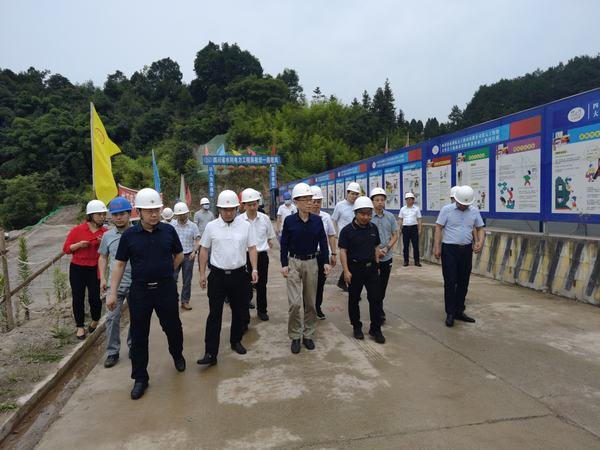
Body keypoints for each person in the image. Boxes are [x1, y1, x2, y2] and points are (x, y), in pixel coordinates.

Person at [107, 188, 186, 400]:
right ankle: (140, 378)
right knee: (139, 335)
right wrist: (112, 293)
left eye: (156, 210)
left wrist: (168, 271)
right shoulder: (129, 236)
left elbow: (179, 255)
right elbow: (119, 264)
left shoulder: (168, 231)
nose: (154, 214)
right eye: (149, 210)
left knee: (173, 327)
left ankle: (177, 354)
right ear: (139, 211)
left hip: (165, 289)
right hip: (140, 291)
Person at [197, 190, 258, 367]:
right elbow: (204, 249)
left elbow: (252, 247)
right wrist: (202, 273)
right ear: (219, 209)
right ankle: (210, 352)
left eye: (231, 209)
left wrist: (254, 268)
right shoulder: (211, 227)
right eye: (225, 209)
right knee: (214, 314)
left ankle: (236, 341)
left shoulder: (245, 226)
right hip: (217, 276)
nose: (228, 213)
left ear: (237, 208)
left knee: (239, 311)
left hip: (239, 275)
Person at [280, 183, 331, 354]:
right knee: (295, 304)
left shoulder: (317, 221)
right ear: (296, 201)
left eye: (311, 199)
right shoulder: (289, 221)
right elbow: (284, 244)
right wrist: (284, 264)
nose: (310, 203)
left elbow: (323, 242)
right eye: (306, 199)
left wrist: (325, 262)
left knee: (310, 302)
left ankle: (308, 335)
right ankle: (295, 335)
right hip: (294, 262)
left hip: (312, 262)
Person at [434, 185, 485, 328]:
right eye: (462, 203)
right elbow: (438, 227)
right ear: (456, 199)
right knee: (450, 281)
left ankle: (459, 310)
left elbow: (480, 228)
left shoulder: (474, 211)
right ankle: (450, 313)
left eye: (466, 204)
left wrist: (480, 242)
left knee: (463, 281)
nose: (464, 206)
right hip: (449, 250)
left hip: (466, 250)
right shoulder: (446, 210)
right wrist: (437, 247)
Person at [338, 196, 385, 344]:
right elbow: (343, 251)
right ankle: (356, 327)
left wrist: (377, 264)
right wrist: (346, 271)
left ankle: (375, 329)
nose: (366, 217)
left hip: (371, 269)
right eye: (363, 214)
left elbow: (376, 246)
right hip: (354, 269)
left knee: (376, 299)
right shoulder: (347, 231)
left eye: (369, 214)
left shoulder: (373, 228)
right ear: (355, 213)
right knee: (354, 299)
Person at [62, 199, 107, 340]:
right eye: (99, 214)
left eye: (103, 214)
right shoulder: (77, 230)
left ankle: (95, 319)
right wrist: (79, 245)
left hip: (95, 268)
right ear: (91, 215)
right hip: (77, 268)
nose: (102, 217)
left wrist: (103, 243)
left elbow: (109, 252)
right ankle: (80, 326)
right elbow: (66, 249)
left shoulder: (105, 232)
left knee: (95, 297)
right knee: (78, 297)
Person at [98, 196, 133, 368]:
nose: (118, 217)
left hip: (136, 283)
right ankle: (112, 352)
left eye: (122, 214)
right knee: (112, 318)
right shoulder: (107, 236)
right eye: (115, 214)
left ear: (129, 214)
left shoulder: (137, 233)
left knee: (137, 318)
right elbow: (103, 257)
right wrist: (103, 278)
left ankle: (134, 346)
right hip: (115, 286)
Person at [240, 188, 276, 322]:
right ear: (244, 205)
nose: (252, 207)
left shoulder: (265, 219)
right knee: (245, 285)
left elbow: (270, 236)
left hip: (262, 256)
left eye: (254, 204)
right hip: (244, 257)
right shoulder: (239, 221)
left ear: (258, 203)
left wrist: (269, 241)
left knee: (262, 284)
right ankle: (245, 312)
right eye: (249, 205)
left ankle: (262, 310)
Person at [370, 187, 398, 322]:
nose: (380, 202)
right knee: (373, 285)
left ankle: (379, 307)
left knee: (383, 285)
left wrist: (386, 248)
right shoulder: (368, 217)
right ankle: (377, 310)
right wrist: (376, 251)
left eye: (382, 200)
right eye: (377, 200)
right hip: (372, 257)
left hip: (387, 256)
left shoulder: (390, 216)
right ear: (372, 201)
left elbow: (395, 235)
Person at [310, 185, 337, 320]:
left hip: (322, 255)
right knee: (309, 284)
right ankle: (308, 308)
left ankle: (318, 307)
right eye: (314, 201)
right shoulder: (305, 217)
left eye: (319, 201)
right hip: (308, 256)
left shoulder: (326, 217)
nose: (316, 204)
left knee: (320, 283)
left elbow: (331, 235)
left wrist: (333, 254)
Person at [332, 182, 361, 291]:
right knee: (349, 260)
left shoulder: (358, 206)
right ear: (347, 193)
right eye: (352, 194)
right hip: (344, 238)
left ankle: (342, 281)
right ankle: (348, 283)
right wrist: (336, 234)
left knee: (352, 261)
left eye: (356, 194)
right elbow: (334, 220)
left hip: (356, 237)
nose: (354, 196)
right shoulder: (340, 205)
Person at [171, 202, 200, 311]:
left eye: (183, 214)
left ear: (187, 213)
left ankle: (185, 301)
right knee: (172, 278)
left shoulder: (193, 226)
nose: (182, 216)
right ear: (176, 215)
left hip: (188, 256)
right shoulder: (172, 226)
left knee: (187, 280)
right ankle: (173, 299)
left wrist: (194, 251)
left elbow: (198, 240)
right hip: (175, 255)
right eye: (179, 215)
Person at [398, 192, 422, 267]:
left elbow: (419, 220)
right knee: (406, 246)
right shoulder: (402, 209)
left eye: (411, 199)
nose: (409, 200)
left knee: (415, 246)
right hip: (405, 228)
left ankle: (417, 261)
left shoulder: (417, 209)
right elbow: (400, 220)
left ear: (413, 200)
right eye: (407, 199)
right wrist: (399, 229)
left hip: (414, 228)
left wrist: (419, 229)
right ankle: (406, 261)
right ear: (405, 200)